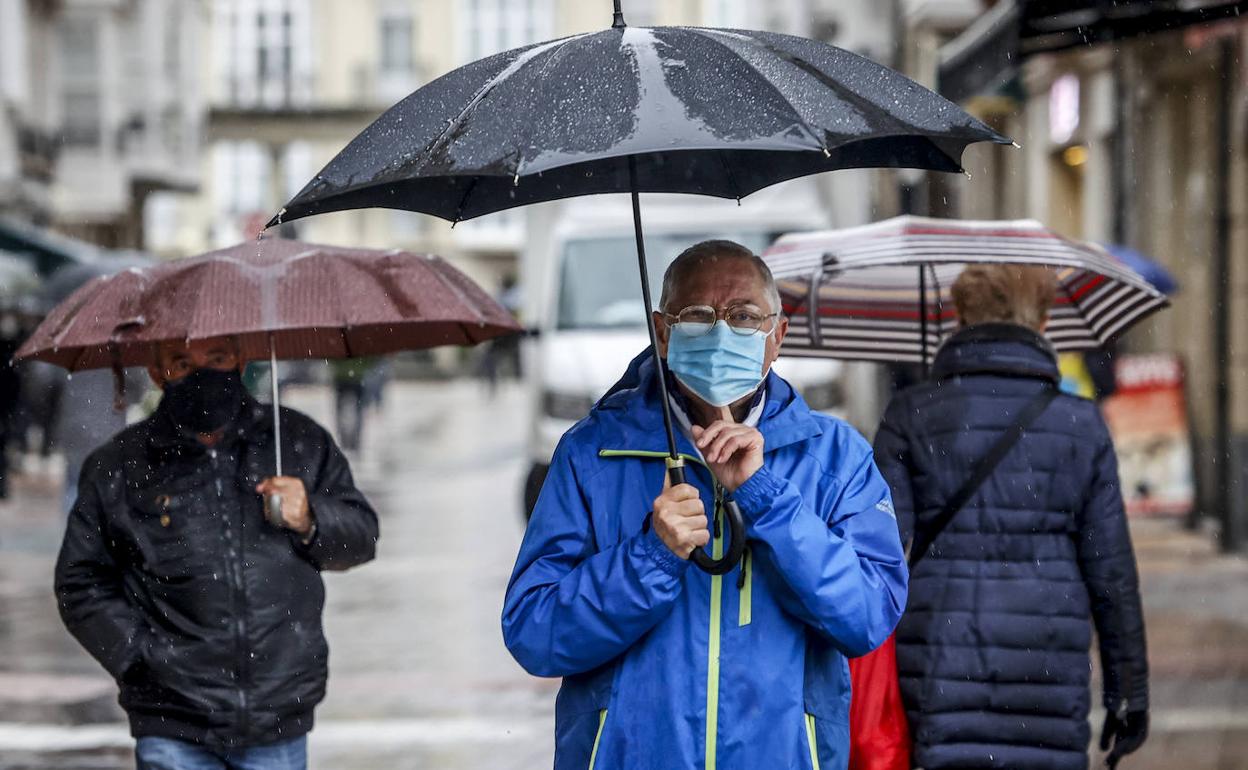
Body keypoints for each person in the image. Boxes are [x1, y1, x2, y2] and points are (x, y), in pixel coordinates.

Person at [503, 240, 907, 770]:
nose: (721, 332)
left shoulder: (837, 456)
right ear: (663, 333)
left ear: (777, 335)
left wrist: (766, 498)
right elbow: (535, 631)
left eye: (743, 316)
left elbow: (866, 617)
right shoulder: (592, 453)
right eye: (697, 315)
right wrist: (650, 556)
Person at [55, 336, 379, 770]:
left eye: (218, 358)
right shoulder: (120, 464)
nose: (203, 373)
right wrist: (141, 658)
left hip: (277, 711)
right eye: (182, 362)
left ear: (242, 360)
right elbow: (81, 582)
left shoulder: (297, 441)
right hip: (171, 718)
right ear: (156, 372)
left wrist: (311, 517)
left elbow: (360, 538)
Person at [873, 264, 1149, 770]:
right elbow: (1111, 574)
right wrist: (1128, 690)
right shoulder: (1081, 424)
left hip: (938, 653)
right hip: (1046, 660)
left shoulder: (910, 413)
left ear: (959, 318)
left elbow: (880, 552)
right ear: (1043, 323)